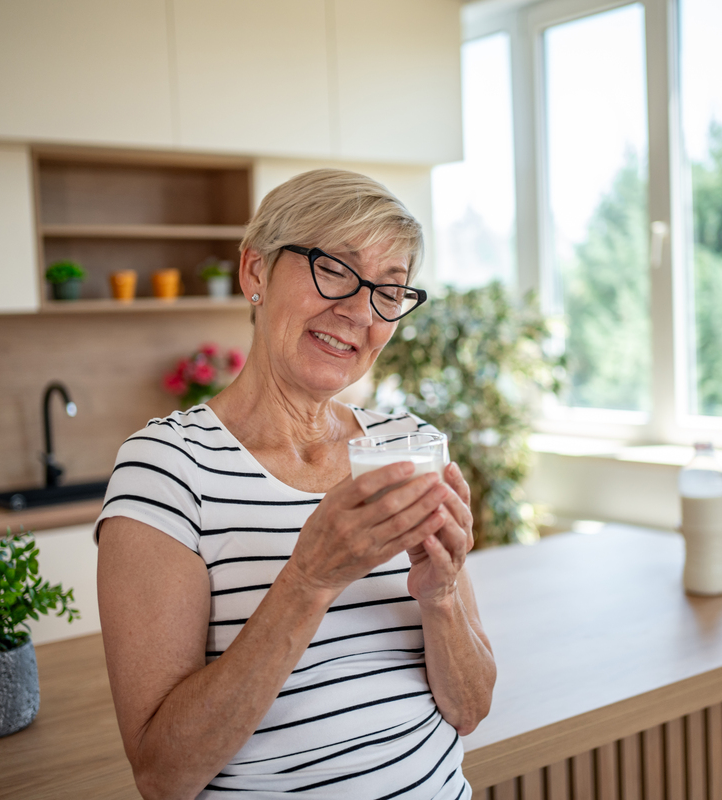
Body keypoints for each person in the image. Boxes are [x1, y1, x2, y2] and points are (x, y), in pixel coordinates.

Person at [95, 169, 496, 800]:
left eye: (389, 292)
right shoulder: (166, 469)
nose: (361, 312)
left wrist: (441, 594)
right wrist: (309, 581)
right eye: (334, 268)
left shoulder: (406, 444)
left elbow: (470, 710)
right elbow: (162, 774)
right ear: (255, 271)